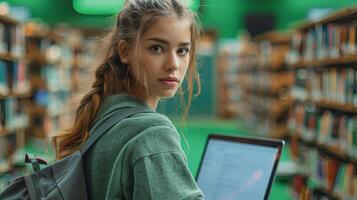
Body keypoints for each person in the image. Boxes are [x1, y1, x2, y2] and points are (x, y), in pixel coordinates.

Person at [54, 0, 204, 199]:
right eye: (157, 48)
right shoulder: (152, 133)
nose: (173, 64)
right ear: (125, 51)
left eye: (182, 50)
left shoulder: (103, 115)